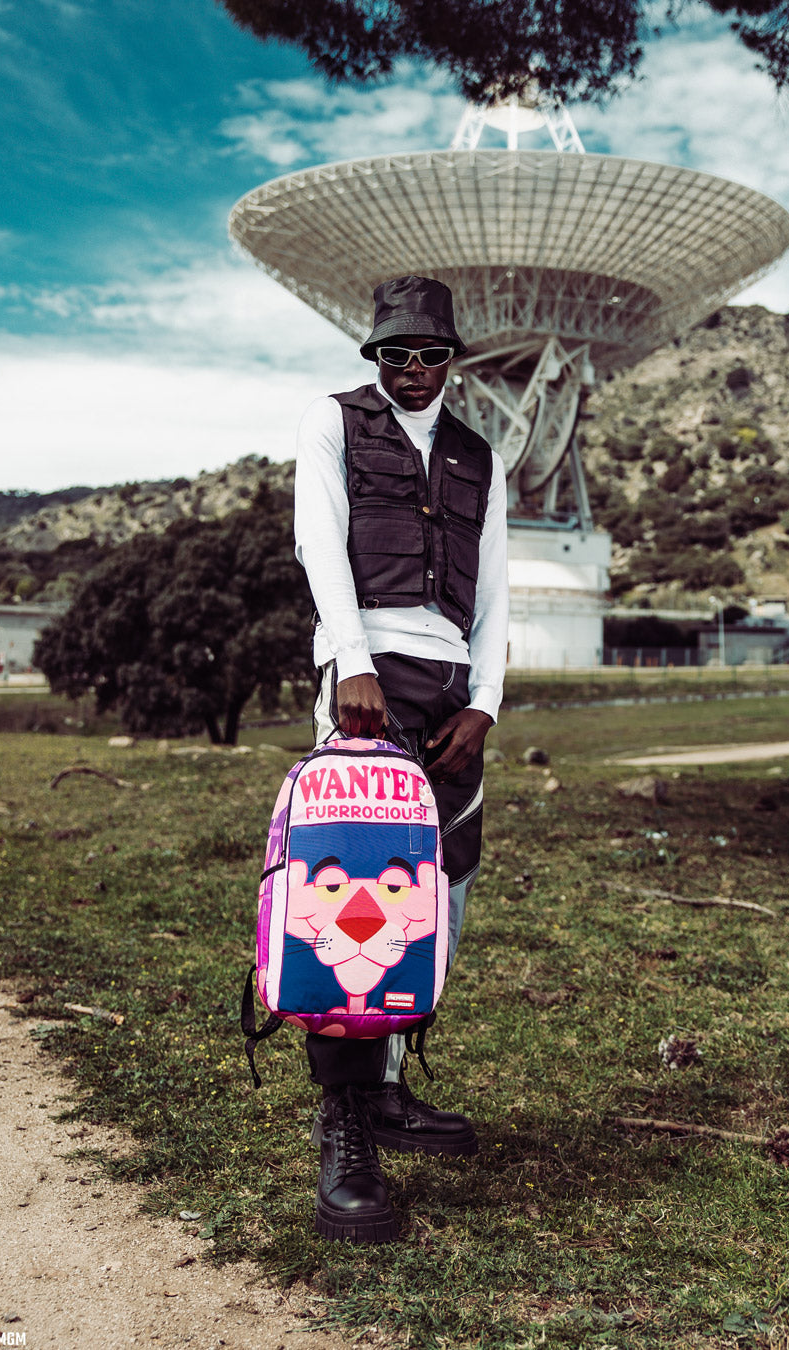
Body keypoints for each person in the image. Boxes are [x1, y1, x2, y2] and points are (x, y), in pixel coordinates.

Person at [293, 274, 509, 1243]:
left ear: (454, 359)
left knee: (440, 897)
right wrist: (350, 658)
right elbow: (315, 542)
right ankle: (345, 1132)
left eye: (431, 355)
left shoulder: (480, 456)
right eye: (395, 355)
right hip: (366, 685)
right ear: (373, 356)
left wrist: (488, 703)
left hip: (452, 687)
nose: (414, 371)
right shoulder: (332, 425)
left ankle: (382, 1089)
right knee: (353, 908)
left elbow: (496, 589)